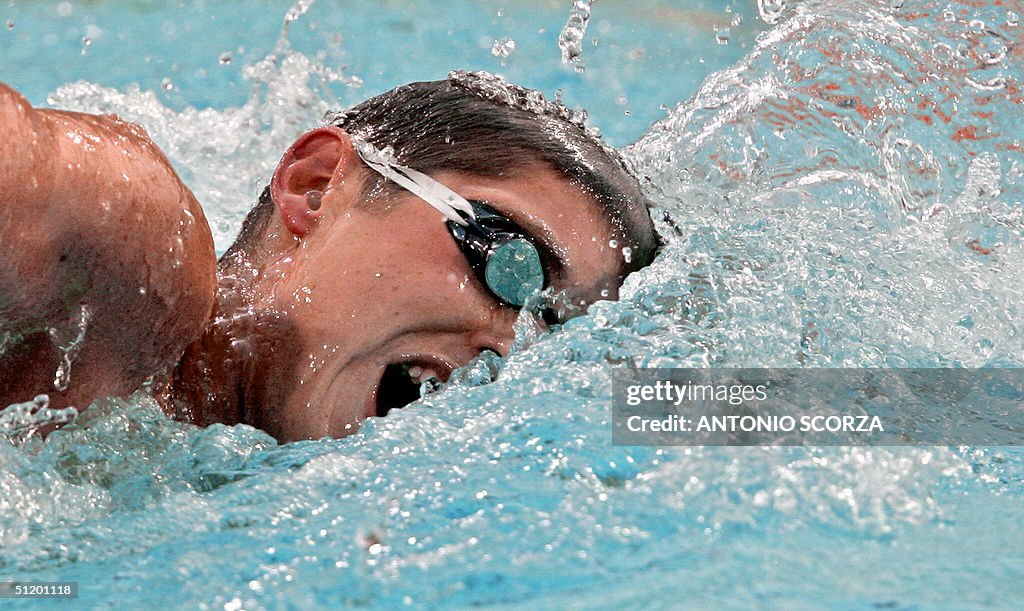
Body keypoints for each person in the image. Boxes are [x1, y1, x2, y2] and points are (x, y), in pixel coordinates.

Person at [0, 71, 658, 442]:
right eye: (512, 266)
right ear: (315, 186)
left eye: (553, 329)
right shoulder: (140, 258)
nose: (510, 349)